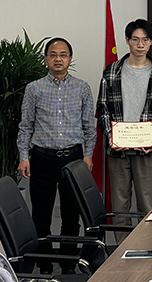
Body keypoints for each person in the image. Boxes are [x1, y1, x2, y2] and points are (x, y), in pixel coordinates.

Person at [17, 37, 96, 270]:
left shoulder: (82, 87)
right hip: (42, 158)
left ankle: (68, 265)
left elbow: (89, 127)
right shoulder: (34, 88)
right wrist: (24, 157)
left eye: (63, 54)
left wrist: (88, 155)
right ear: (46, 59)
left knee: (71, 215)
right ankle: (44, 266)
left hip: (73, 158)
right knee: (41, 216)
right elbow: (26, 126)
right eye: (53, 54)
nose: (58, 59)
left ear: (70, 59)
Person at [97, 19, 152, 227]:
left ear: (151, 42)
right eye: (136, 40)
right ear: (127, 40)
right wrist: (112, 138)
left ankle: (146, 244)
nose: (140, 45)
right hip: (118, 150)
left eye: (145, 40)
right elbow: (103, 108)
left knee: (147, 206)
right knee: (120, 206)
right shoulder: (112, 70)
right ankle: (122, 246)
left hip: (147, 150)